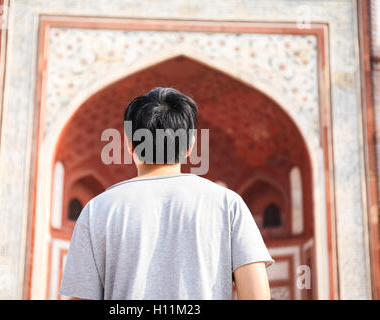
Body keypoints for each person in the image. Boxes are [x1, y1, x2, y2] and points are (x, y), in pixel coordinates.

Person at [59, 87, 274, 300]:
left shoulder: (99, 210)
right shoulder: (228, 205)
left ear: (130, 144)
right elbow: (256, 295)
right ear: (190, 145)